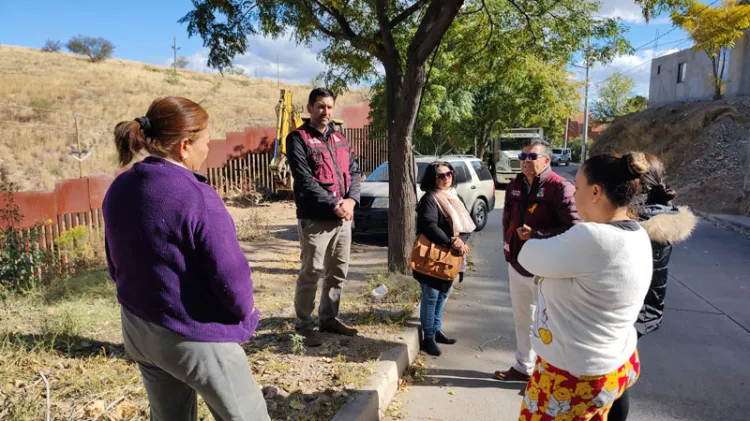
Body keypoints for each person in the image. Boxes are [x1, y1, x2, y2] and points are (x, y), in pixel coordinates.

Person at [103, 97, 270, 421]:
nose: (207, 150)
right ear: (183, 146)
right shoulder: (196, 196)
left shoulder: (120, 186)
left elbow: (115, 263)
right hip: (191, 335)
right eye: (205, 142)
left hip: (138, 328)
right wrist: (247, 316)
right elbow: (231, 277)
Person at [515, 152, 654, 421]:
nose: (573, 194)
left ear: (595, 192)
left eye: (577, 188)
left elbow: (527, 255)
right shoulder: (638, 234)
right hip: (616, 360)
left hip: (573, 375)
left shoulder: (592, 237)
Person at [608, 153, 697, 420]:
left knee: (614, 379)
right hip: (646, 308)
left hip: (628, 310)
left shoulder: (632, 225)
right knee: (617, 374)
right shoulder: (659, 213)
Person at [496, 139, 581, 382]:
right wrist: (508, 250)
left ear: (546, 160)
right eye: (523, 157)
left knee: (548, 324)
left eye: (531, 158)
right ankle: (524, 366)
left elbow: (575, 229)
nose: (525, 162)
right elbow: (507, 221)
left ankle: (548, 375)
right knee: (522, 320)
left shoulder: (560, 188)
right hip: (517, 265)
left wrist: (537, 235)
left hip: (546, 270)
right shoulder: (514, 185)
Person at [286, 88, 361, 347]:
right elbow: (305, 180)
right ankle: (304, 326)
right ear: (309, 108)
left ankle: (329, 318)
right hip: (316, 219)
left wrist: (352, 200)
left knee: (338, 271)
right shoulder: (298, 138)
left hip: (343, 219)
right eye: (320, 106)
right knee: (311, 272)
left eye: (329, 107)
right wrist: (334, 205)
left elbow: (353, 171)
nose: (325, 112)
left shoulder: (339, 137)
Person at [414, 161, 475, 356]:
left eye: (449, 174)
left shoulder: (454, 197)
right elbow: (430, 227)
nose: (446, 178)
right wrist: (453, 242)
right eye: (440, 175)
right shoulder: (429, 200)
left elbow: (466, 224)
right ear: (432, 178)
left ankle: (437, 329)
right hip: (434, 255)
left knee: (444, 293)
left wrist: (460, 242)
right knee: (431, 296)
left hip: (452, 255)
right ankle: (428, 338)